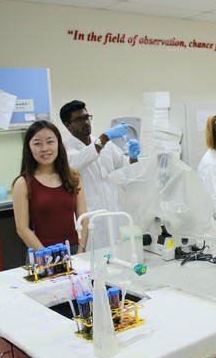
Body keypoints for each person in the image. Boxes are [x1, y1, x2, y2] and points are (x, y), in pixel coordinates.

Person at [60, 100, 140, 249]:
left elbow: (128, 171)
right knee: (94, 258)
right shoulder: (65, 151)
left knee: (120, 254)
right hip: (91, 222)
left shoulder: (107, 146)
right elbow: (78, 161)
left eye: (87, 117)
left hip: (115, 215)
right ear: (67, 125)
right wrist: (105, 137)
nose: (86, 122)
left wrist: (133, 157)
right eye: (79, 119)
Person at [12, 120, 88, 254]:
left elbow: (84, 219)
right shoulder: (22, 183)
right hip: (42, 254)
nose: (45, 148)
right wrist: (47, 256)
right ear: (29, 148)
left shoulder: (73, 177)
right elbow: (22, 229)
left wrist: (81, 250)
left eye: (50, 141)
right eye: (37, 143)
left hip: (74, 250)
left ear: (58, 144)